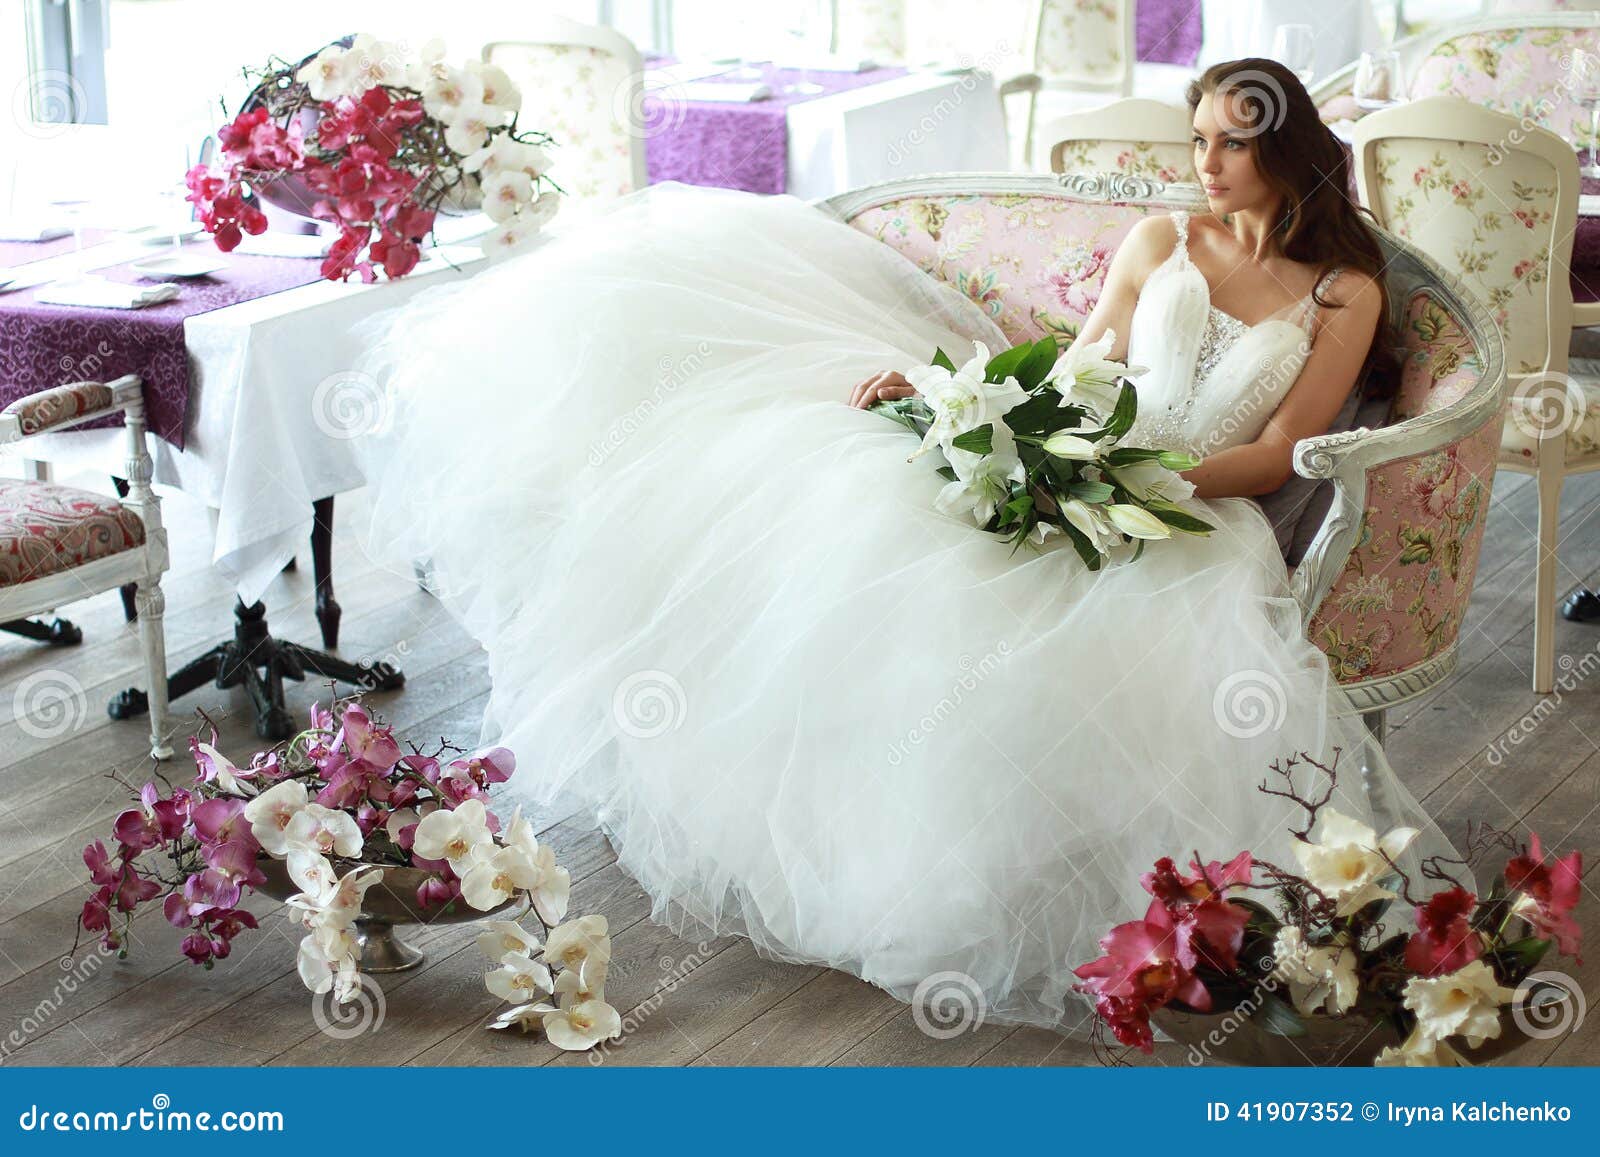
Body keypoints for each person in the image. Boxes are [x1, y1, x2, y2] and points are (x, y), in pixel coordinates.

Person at [360, 59, 1458, 1032]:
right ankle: (870, 855)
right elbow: (1074, 365)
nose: (1205, 162)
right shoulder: (1161, 235)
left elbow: (1277, 450)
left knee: (1106, 629)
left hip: (1190, 504)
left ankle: (1101, 891)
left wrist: (1145, 479)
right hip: (1079, 463)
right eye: (1197, 139)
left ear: (1286, 148)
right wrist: (967, 398)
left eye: (1232, 140)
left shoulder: (1337, 288)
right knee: (868, 536)